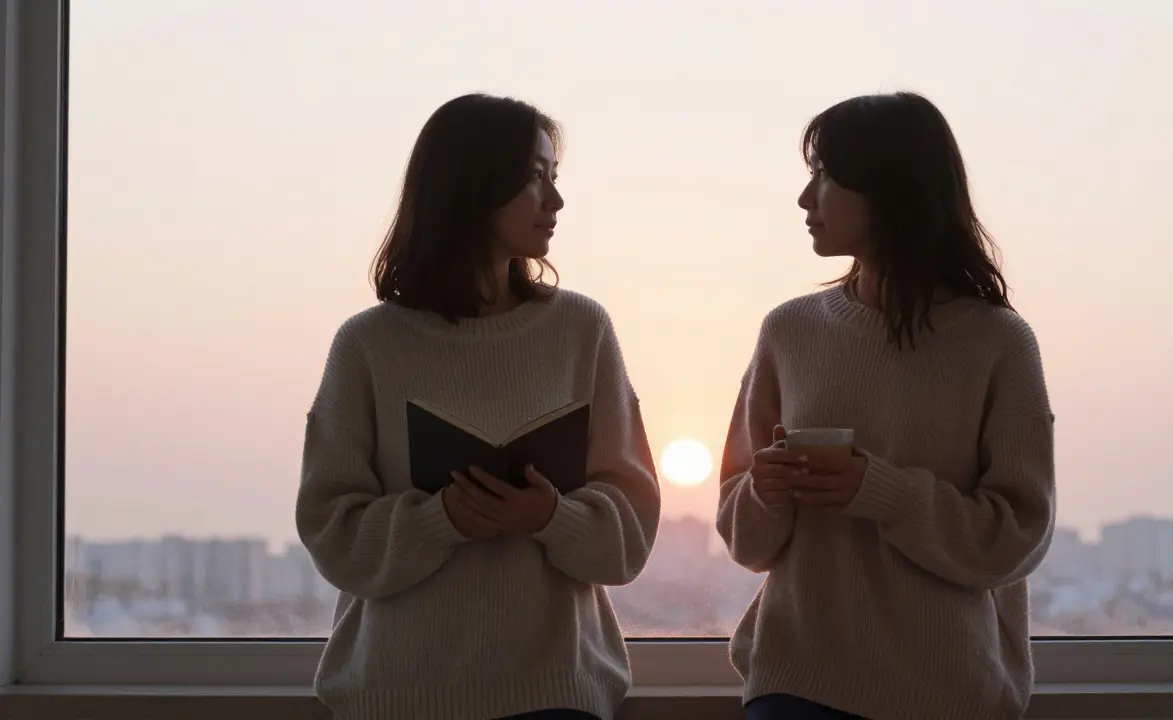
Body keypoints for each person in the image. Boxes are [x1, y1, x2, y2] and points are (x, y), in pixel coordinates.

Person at [295, 93, 661, 720]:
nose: (556, 201)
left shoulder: (581, 329)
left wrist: (550, 515)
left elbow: (628, 539)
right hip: (398, 693)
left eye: (555, 179)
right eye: (535, 179)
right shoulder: (369, 345)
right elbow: (334, 537)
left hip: (555, 693)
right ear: (473, 186)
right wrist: (443, 519)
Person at [716, 91, 1056, 720]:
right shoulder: (789, 331)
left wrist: (879, 490)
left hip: (948, 691)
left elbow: (1016, 537)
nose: (803, 198)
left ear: (888, 189)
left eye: (823, 175)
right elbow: (746, 541)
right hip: (795, 683)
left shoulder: (997, 342)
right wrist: (764, 489)